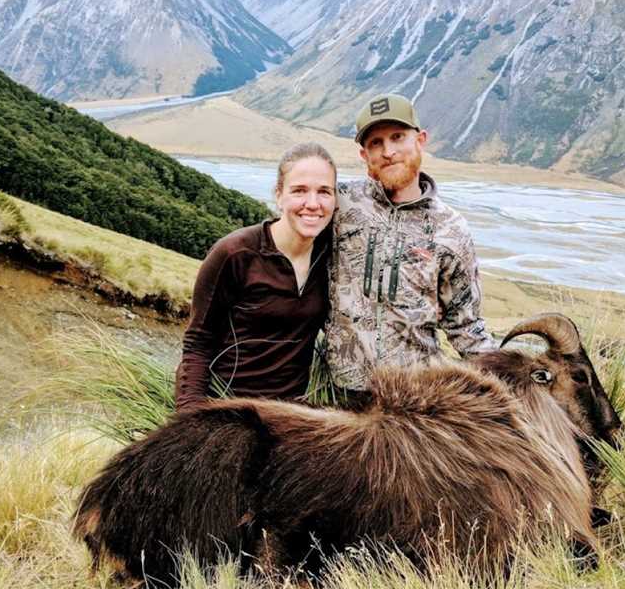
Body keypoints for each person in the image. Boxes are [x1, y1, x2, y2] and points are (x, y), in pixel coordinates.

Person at [325, 93, 495, 399]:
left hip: (416, 399)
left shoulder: (451, 229)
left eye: (397, 137)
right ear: (364, 155)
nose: (388, 151)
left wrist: (510, 389)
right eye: (375, 142)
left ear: (420, 140)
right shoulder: (339, 203)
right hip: (340, 392)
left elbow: (466, 325)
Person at [174, 142, 336, 409]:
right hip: (230, 408)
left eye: (324, 192)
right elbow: (197, 345)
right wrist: (190, 422)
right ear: (279, 195)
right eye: (299, 191)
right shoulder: (235, 254)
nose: (313, 203)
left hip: (293, 417)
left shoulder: (332, 256)